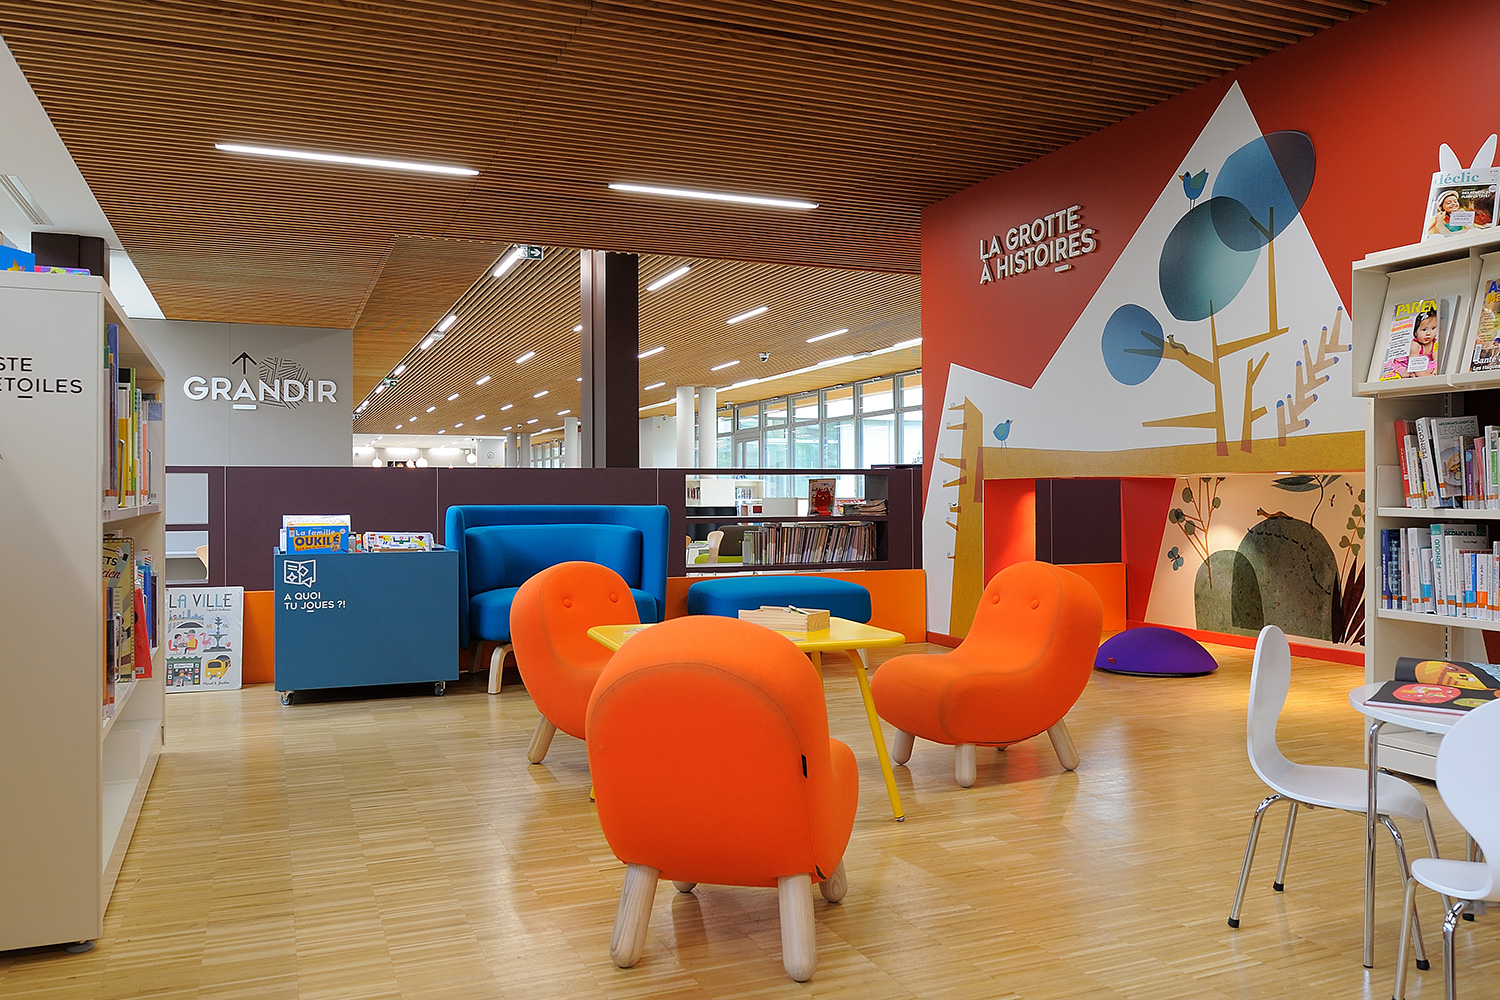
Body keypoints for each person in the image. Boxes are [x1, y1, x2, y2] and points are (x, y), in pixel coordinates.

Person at [1394, 306, 1441, 376]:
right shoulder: (1415, 345)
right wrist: (1425, 375)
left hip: (1425, 363)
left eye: (1433, 328)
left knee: (1434, 367)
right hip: (1412, 364)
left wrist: (1435, 370)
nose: (1428, 333)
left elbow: (1437, 359)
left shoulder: (1434, 343)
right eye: (1424, 330)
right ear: (1416, 332)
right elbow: (1414, 366)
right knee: (1405, 372)